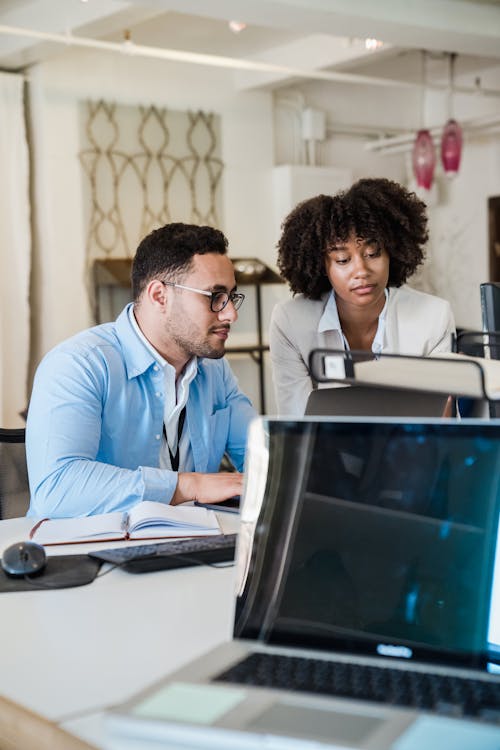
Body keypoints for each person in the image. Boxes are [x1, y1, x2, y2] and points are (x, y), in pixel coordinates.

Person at [26, 223, 257, 517]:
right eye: (214, 296)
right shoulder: (78, 364)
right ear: (160, 295)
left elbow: (263, 458)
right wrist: (189, 486)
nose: (230, 313)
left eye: (231, 297)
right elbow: (57, 489)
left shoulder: (215, 371)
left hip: (187, 545)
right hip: (83, 554)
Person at [269, 178, 456, 416]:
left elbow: (442, 419)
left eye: (373, 253)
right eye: (343, 260)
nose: (362, 271)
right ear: (322, 265)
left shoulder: (433, 317)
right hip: (325, 452)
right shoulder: (290, 322)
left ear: (392, 252)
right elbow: (296, 422)